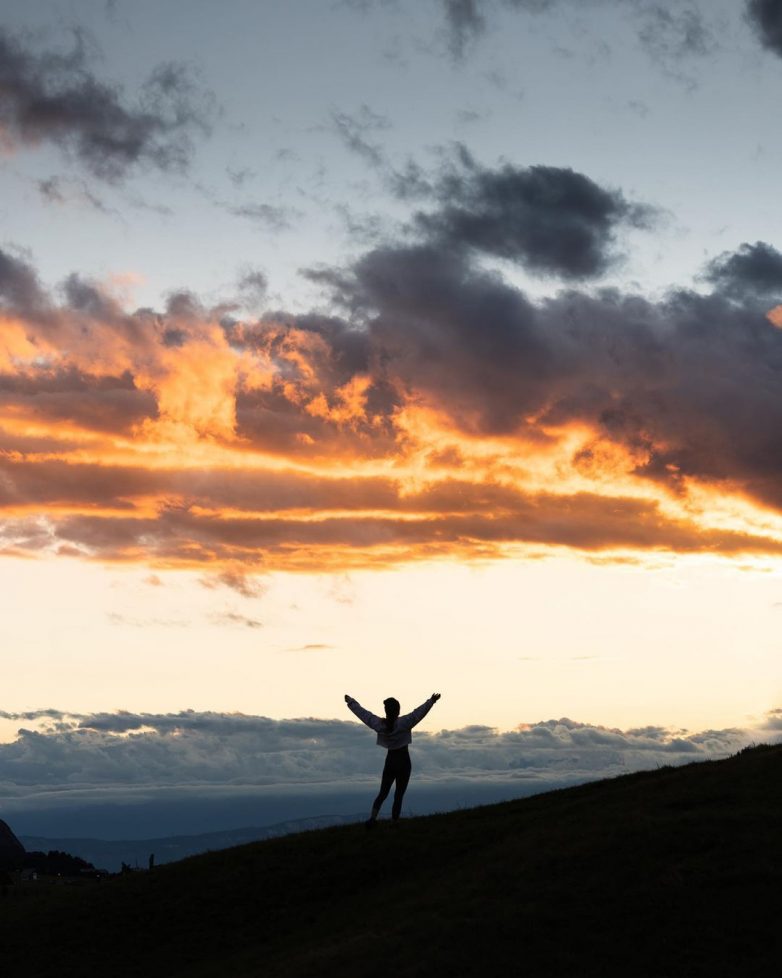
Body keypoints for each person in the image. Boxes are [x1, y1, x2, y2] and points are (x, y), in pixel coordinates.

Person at [344, 691, 441, 827]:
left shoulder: (380, 725)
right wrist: (431, 701)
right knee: (399, 795)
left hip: (390, 761)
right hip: (404, 761)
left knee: (383, 793)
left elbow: (364, 715)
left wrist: (351, 702)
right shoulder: (404, 723)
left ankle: (372, 819)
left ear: (386, 711)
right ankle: (395, 821)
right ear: (398, 710)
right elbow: (419, 713)